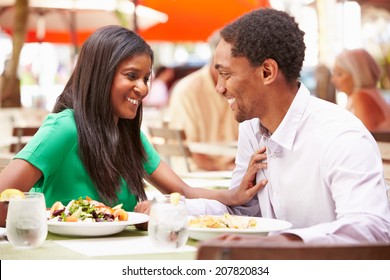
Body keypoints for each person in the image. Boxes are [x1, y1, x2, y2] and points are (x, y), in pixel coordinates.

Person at [0, 25, 263, 227]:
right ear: (100, 74)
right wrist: (41, 224)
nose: (143, 88)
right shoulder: (66, 128)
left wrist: (234, 196)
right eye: (131, 76)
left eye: (146, 78)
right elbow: (3, 196)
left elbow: (183, 192)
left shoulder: (129, 136)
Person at [183, 8, 390, 244]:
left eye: (226, 74)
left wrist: (286, 243)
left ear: (267, 72)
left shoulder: (341, 135)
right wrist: (175, 212)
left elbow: (371, 228)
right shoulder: (252, 128)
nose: (219, 88)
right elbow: (243, 212)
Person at [168, 31, 239, 171]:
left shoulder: (242, 87)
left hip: (232, 173)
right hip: (196, 176)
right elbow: (192, 152)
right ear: (216, 59)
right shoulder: (187, 91)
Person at [331, 48, 390, 131]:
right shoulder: (370, 93)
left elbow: (365, 138)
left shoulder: (361, 97)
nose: (333, 80)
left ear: (356, 74)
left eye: (339, 74)